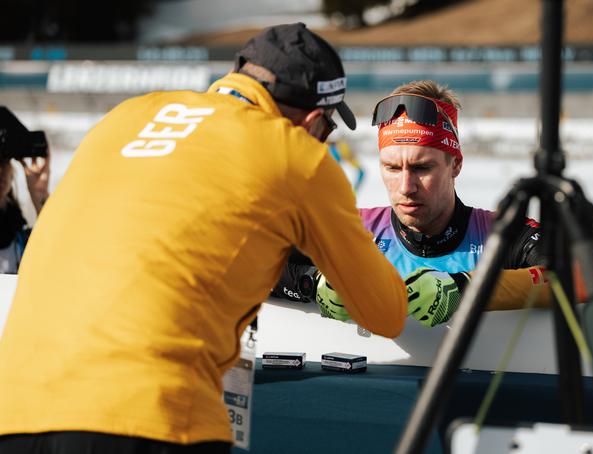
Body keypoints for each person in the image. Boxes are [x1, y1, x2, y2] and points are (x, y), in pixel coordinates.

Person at [0, 23, 407, 453]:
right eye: (327, 131)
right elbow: (384, 312)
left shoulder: (126, 116)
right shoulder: (296, 154)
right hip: (151, 417)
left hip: (15, 410)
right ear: (311, 121)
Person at [274, 80, 593, 326]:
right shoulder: (352, 228)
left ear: (456, 164)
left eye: (422, 167)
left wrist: (466, 289)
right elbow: (248, 259)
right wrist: (310, 281)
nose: (405, 187)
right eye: (392, 167)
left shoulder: (501, 234)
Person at [0, 153, 50, 273]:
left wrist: (39, 196)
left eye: (5, 161)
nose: (1, 170)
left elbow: (54, 248)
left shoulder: (17, 229)